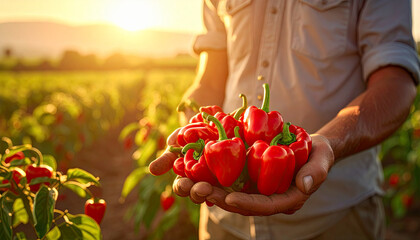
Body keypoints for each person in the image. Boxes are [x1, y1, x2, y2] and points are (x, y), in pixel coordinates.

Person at [149, 0, 420, 239]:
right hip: (223, 222)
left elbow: (396, 81)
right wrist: (194, 126)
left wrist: (329, 142)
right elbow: (210, 79)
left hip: (335, 218)